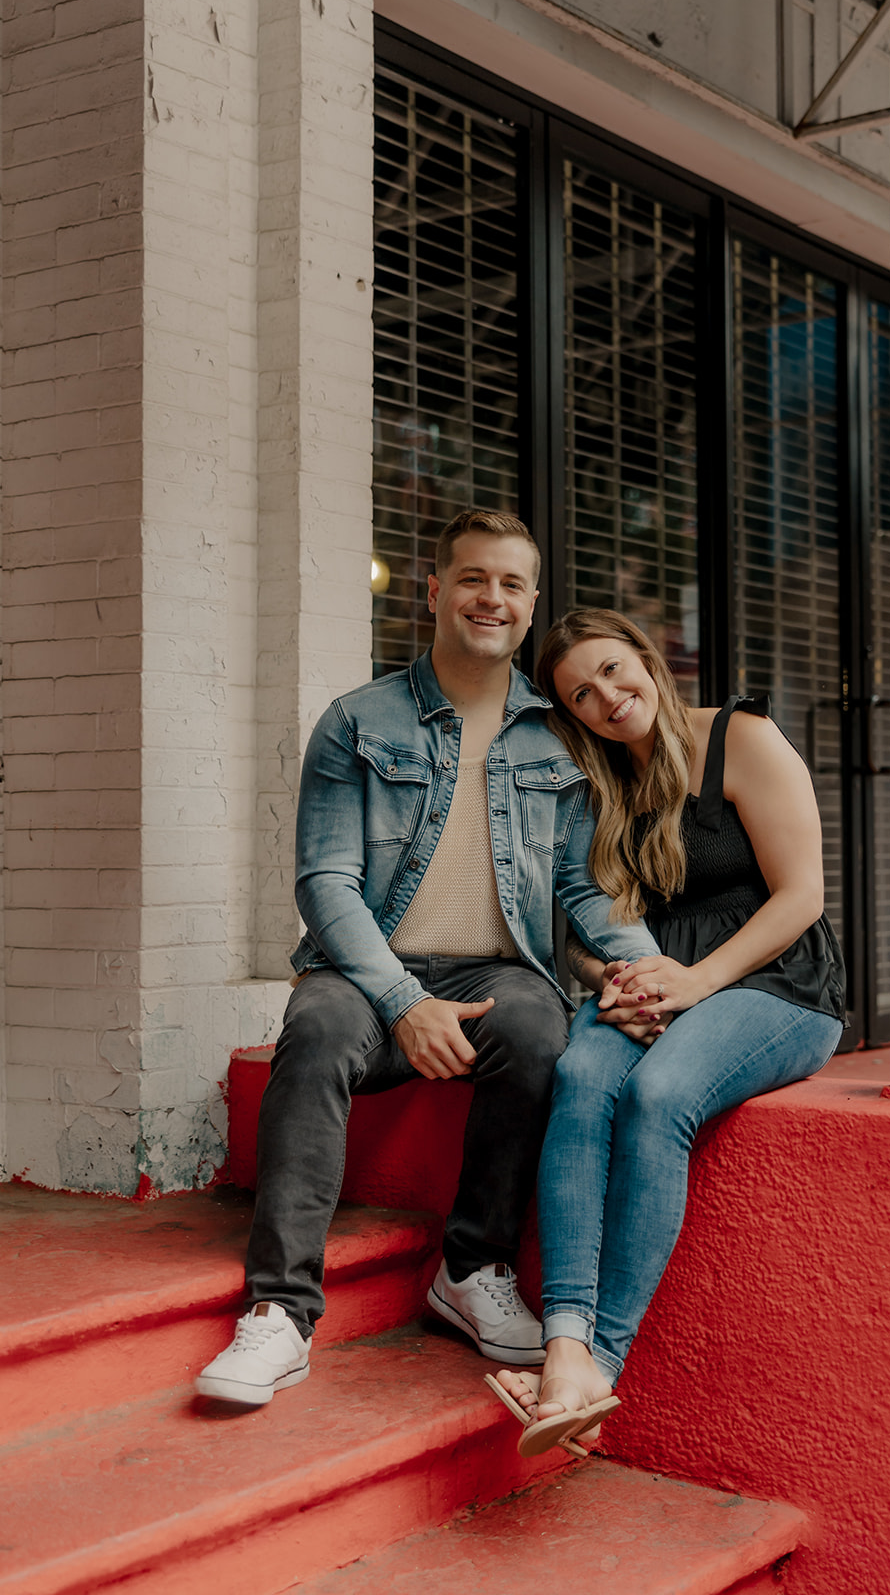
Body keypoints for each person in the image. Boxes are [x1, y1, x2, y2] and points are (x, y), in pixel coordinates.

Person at [195, 515, 660, 1407]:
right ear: (435, 590)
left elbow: (580, 889)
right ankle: (280, 1313)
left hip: (495, 975)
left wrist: (642, 970)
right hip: (369, 971)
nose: (492, 598)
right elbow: (324, 883)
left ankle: (470, 1269)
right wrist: (403, 1000)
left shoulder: (556, 738)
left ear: (530, 608)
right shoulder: (356, 721)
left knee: (536, 1024)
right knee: (319, 1021)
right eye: (473, 579)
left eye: (512, 585)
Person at [489, 608, 845, 1456]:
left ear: (645, 659)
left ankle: (599, 1364)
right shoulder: (602, 784)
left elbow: (802, 896)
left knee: (658, 1094)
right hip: (658, 982)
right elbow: (582, 929)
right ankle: (565, 1346)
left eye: (614, 671)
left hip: (775, 983)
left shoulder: (739, 736)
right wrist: (613, 982)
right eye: (582, 693)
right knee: (579, 1078)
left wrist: (694, 983)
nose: (607, 698)